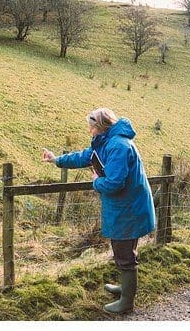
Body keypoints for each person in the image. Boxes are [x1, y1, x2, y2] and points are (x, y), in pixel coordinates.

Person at [42, 108, 155, 314]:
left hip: (128, 210)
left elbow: (114, 183)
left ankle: (126, 303)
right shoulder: (107, 142)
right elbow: (84, 157)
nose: (89, 131)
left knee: (125, 255)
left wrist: (96, 182)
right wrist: (56, 159)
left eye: (91, 127)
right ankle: (125, 289)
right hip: (127, 208)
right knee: (124, 251)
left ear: (100, 127)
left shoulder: (118, 146)